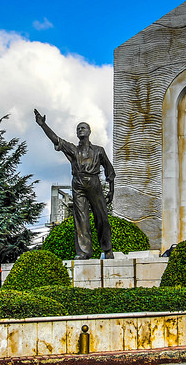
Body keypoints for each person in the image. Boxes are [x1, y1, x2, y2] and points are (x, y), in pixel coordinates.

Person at [34, 109, 115, 259]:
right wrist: (43, 125)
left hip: (94, 182)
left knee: (101, 216)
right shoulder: (73, 149)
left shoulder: (99, 150)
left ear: (89, 131)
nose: (80, 130)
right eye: (78, 128)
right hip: (78, 183)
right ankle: (84, 252)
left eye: (83, 127)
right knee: (81, 219)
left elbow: (109, 170)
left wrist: (111, 190)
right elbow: (56, 139)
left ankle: (107, 249)